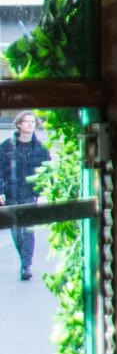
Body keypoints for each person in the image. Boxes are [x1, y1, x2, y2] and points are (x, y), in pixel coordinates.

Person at [0, 111, 51, 281]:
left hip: (31, 194)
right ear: (19, 124)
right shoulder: (6, 147)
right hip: (12, 194)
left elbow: (46, 173)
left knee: (28, 230)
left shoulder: (41, 149)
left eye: (32, 122)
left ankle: (26, 265)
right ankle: (24, 260)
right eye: (26, 121)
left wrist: (43, 193)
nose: (30, 124)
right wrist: (0, 191)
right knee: (16, 231)